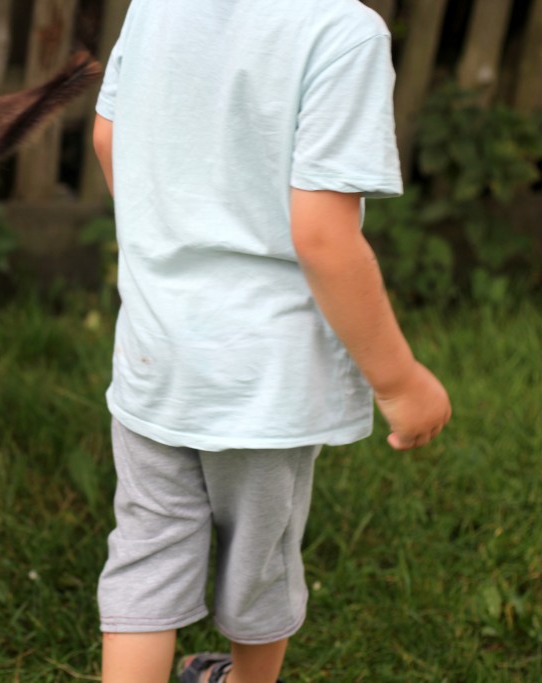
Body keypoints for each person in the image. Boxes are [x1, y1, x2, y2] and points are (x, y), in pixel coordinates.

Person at [90, 1, 452, 682]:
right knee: (259, 560)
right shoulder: (341, 31)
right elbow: (322, 235)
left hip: (156, 347)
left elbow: (109, 140)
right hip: (263, 375)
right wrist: (399, 380)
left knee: (146, 546)